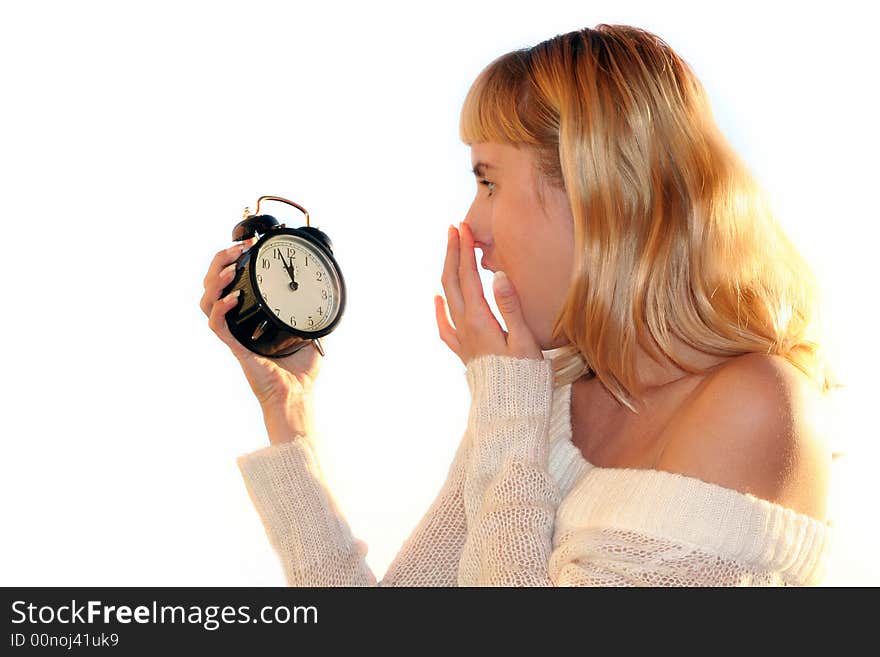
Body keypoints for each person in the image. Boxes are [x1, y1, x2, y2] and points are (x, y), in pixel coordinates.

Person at [199, 24, 838, 586]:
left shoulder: (755, 406)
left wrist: (504, 395)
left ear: (598, 193)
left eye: (489, 181)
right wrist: (289, 415)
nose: (471, 225)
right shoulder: (543, 394)